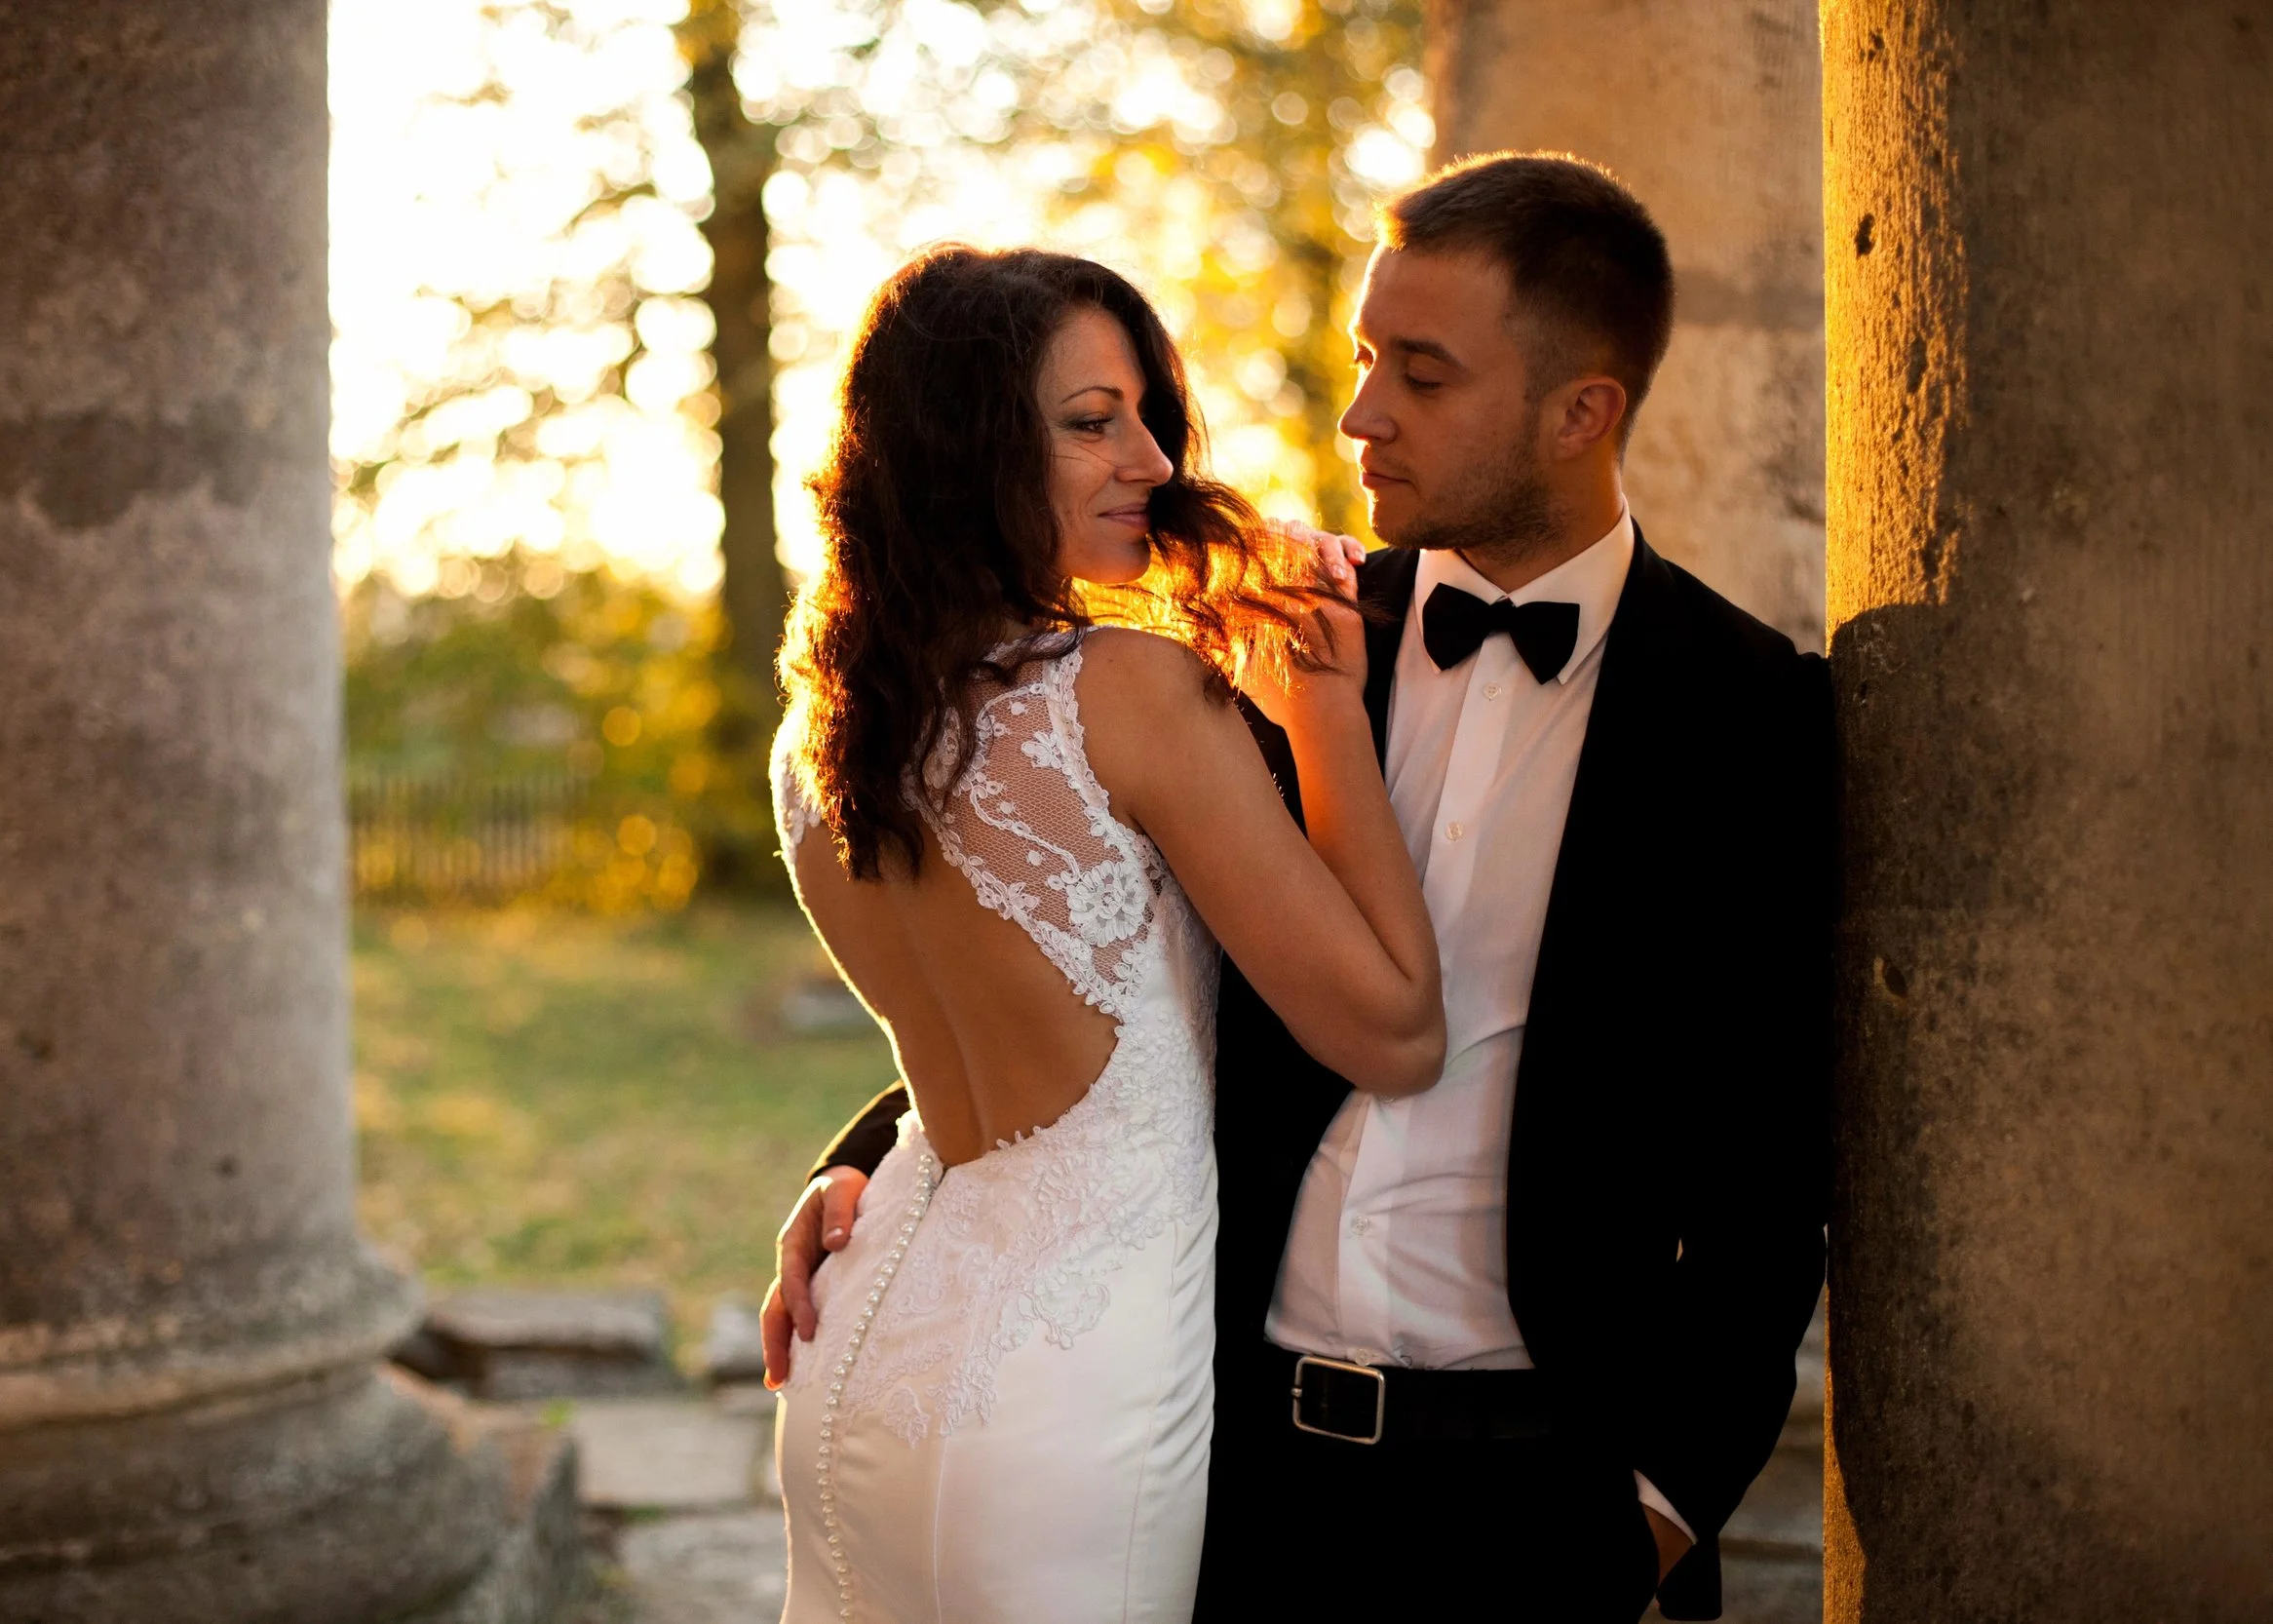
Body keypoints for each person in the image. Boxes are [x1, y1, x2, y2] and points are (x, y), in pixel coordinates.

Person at [769, 153, 1835, 1622]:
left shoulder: (1750, 713)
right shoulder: (1259, 645)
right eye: (1362, 357)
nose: (1360, 414)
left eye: (1425, 373)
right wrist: (876, 1167)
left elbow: (1770, 1170)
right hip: (1229, 1460)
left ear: (1582, 409)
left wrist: (1656, 1508)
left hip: (1539, 1495)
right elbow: (1082, 936)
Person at [764, 243, 1445, 1623]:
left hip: (864, 1345)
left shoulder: (823, 733)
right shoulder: (1125, 690)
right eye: (1090, 422)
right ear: (962, 449)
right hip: (1060, 1385)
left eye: (1144, 414)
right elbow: (1394, 1029)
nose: (1147, 454)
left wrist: (842, 1168)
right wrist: (1317, 705)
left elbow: (977, 1032)